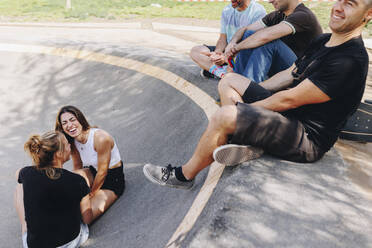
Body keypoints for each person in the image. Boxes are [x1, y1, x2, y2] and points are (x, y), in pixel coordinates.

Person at [143, 0, 372, 189]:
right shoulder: (324, 41)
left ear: (367, 14)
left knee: (225, 117)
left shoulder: (350, 60)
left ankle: (183, 176)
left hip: (306, 137)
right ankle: (245, 141)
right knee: (230, 80)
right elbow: (289, 74)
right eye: (339, 0)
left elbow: (288, 99)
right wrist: (253, 87)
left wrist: (241, 111)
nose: (339, 8)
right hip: (291, 114)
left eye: (350, 4)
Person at [15, 131, 92, 247]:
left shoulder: (27, 173)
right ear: (58, 154)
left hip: (34, 245)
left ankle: (25, 227)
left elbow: (17, 174)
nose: (70, 145)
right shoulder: (77, 180)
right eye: (67, 144)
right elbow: (87, 219)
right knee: (81, 191)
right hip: (69, 242)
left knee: (19, 187)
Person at [224, 0, 322, 83]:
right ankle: (237, 83)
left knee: (269, 42)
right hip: (285, 68)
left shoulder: (303, 15)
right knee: (249, 34)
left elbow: (265, 37)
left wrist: (237, 48)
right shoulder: (278, 15)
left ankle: (248, 90)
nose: (270, 1)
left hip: (302, 74)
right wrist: (233, 43)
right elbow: (246, 30)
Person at [55, 105, 125, 219]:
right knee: (70, 185)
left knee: (85, 215)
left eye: (72, 120)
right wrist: (74, 189)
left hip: (112, 178)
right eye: (65, 123)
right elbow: (77, 166)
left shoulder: (100, 138)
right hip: (93, 172)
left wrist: (91, 194)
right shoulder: (72, 141)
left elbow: (102, 172)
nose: (69, 125)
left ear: (80, 119)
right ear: (62, 127)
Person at [190, 0, 266, 79]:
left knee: (245, 61)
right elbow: (223, 38)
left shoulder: (258, 11)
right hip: (227, 51)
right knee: (196, 51)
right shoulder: (227, 10)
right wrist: (217, 53)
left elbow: (253, 44)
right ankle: (222, 73)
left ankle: (217, 69)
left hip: (244, 53)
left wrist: (227, 58)